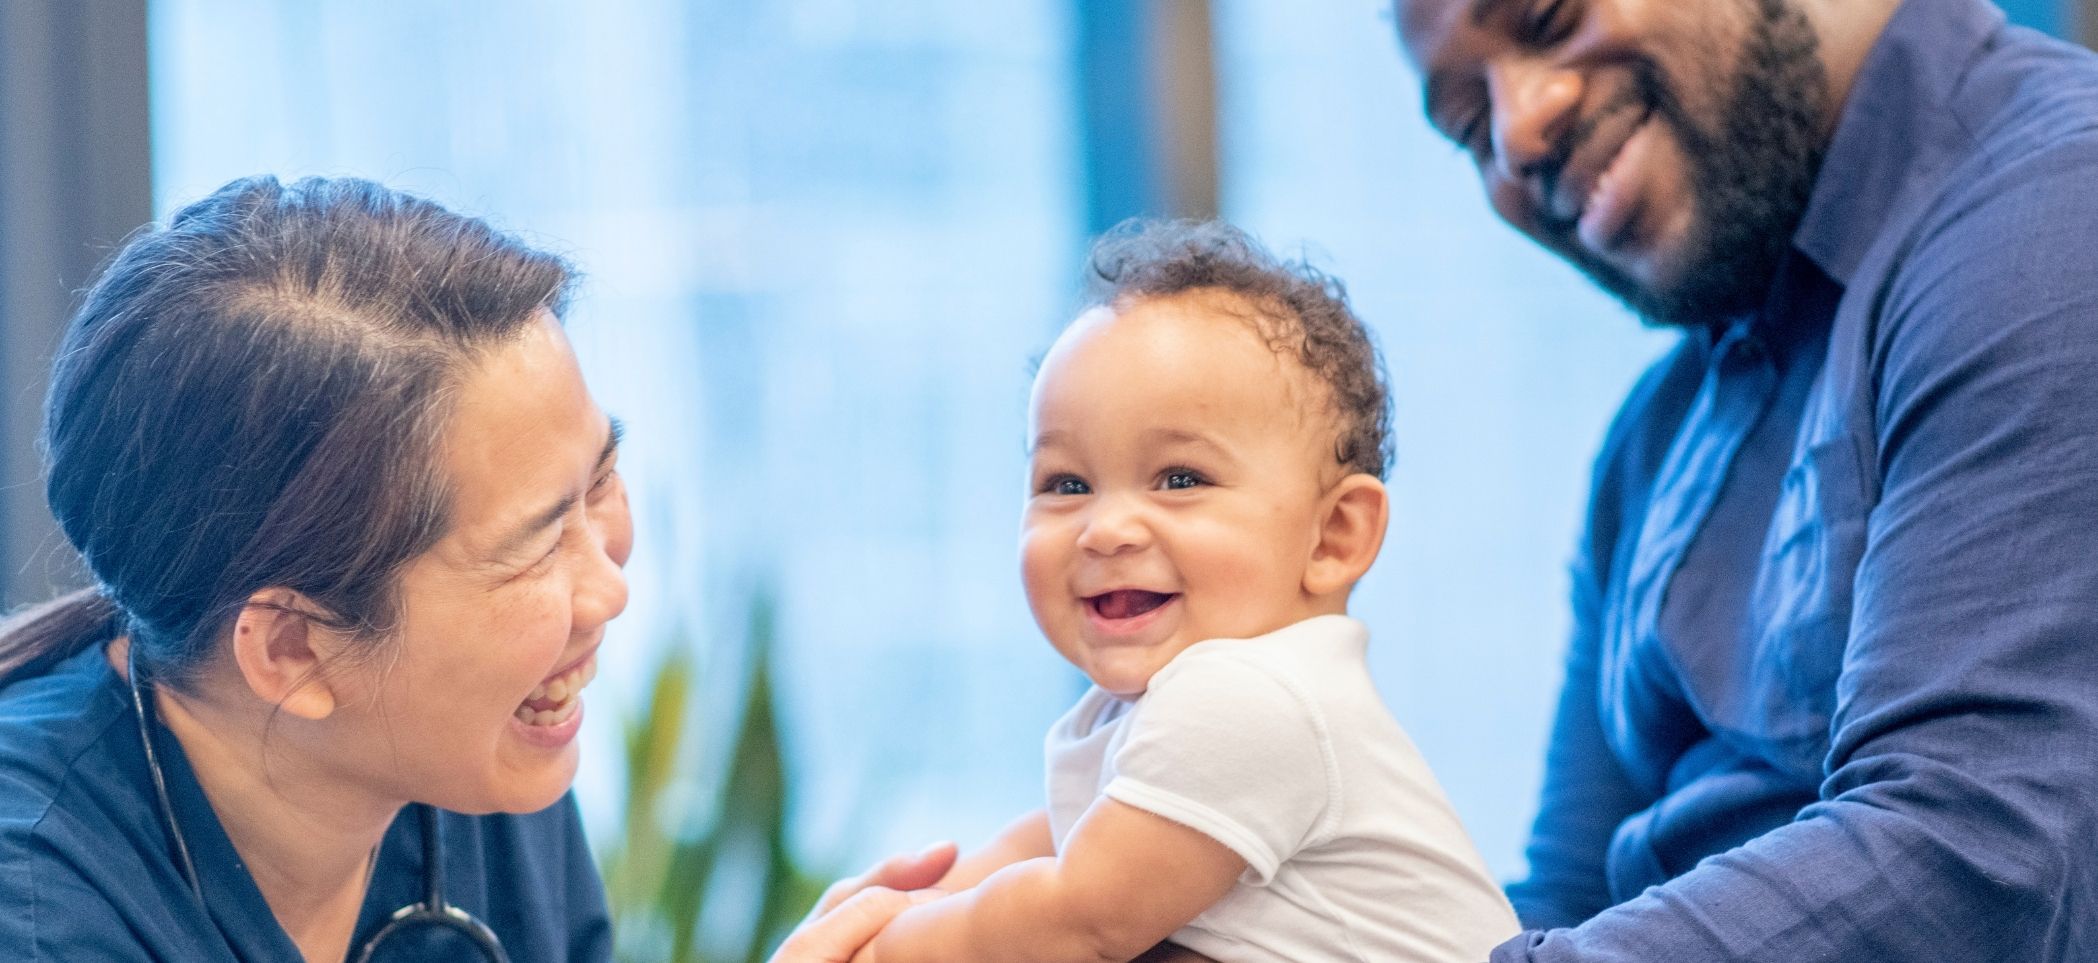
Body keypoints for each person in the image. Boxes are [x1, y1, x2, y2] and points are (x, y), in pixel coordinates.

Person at [0, 175, 951, 962]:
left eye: (601, 479)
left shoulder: (468, 749)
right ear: (291, 647)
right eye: (536, 541)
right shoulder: (39, 910)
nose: (610, 589)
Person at [1391, 0, 2098, 957]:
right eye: (1471, 128)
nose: (1518, 132)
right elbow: (1568, 888)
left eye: (1548, 18)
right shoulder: (1658, 433)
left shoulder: (2055, 214)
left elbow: (1973, 863)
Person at [854, 221, 1518, 963]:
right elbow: (1049, 834)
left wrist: (884, 948)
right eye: (1066, 483)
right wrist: (916, 900)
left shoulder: (1253, 697)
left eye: (1180, 479)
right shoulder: (1173, 706)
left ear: (1333, 537)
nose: (1105, 529)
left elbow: (1085, 918)